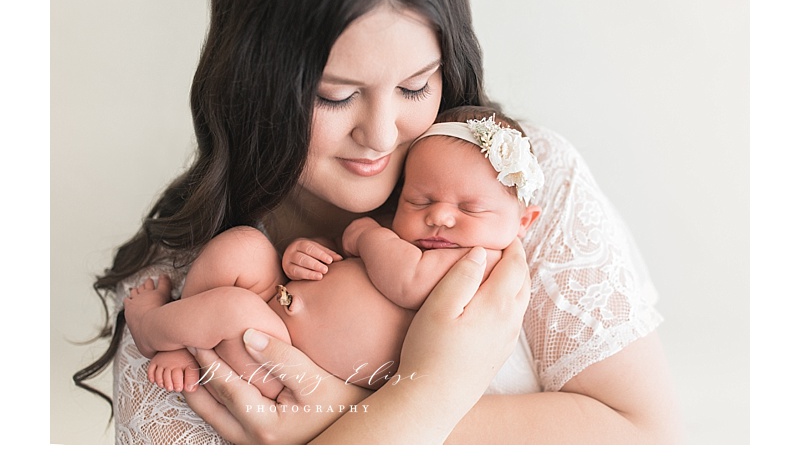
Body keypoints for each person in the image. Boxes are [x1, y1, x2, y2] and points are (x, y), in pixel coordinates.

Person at [75, 0, 680, 445]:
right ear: (255, 87)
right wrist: (419, 399)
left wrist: (365, 410)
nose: (382, 135)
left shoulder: (515, 183)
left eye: (415, 87)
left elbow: (644, 439)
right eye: (335, 96)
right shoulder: (186, 287)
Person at [122, 108, 544, 401]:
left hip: (288, 364)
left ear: (524, 220)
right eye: (419, 200)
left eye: (470, 209)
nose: (439, 217)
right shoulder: (402, 236)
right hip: (278, 298)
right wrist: (304, 254)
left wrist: (364, 234)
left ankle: (152, 327)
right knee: (243, 246)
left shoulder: (484, 263)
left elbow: (409, 283)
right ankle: (185, 333)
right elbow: (346, 265)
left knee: (232, 308)